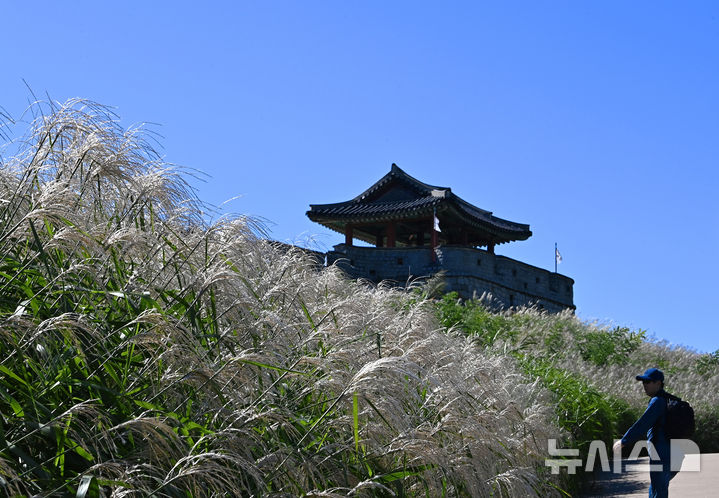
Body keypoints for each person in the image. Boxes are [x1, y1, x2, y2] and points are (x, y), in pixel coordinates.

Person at [612, 367, 679, 498]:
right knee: (656, 487)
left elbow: (643, 424)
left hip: (660, 452)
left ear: (658, 383)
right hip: (675, 452)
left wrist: (624, 441)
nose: (644, 385)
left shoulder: (658, 401)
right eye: (643, 382)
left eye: (648, 382)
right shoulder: (670, 399)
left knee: (658, 490)